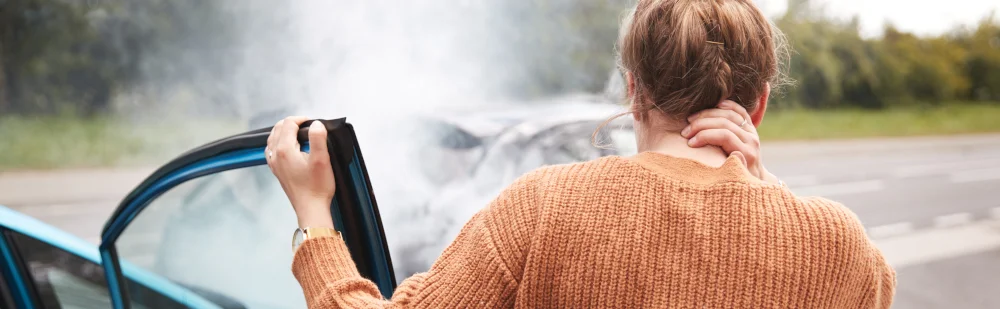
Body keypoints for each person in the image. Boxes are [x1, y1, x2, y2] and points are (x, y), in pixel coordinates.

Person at [266, 0, 896, 307]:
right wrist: (765, 187)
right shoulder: (835, 243)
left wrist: (314, 219)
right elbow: (877, 290)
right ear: (758, 106)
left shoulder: (546, 206)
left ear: (633, 88)